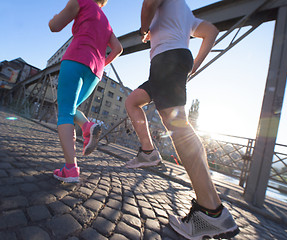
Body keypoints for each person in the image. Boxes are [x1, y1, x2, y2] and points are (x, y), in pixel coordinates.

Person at [124, 0, 239, 239]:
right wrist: (194, 64)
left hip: (167, 59)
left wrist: (143, 30)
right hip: (165, 63)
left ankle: (211, 212)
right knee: (132, 102)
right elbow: (210, 31)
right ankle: (149, 152)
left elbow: (149, 4)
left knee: (178, 126)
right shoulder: (184, 12)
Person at [49, 0, 123, 183]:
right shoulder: (106, 21)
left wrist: (53, 18)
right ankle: (87, 126)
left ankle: (70, 169)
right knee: (71, 108)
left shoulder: (80, 1)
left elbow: (55, 26)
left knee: (65, 113)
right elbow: (118, 49)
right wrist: (101, 63)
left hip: (76, 58)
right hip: (95, 72)